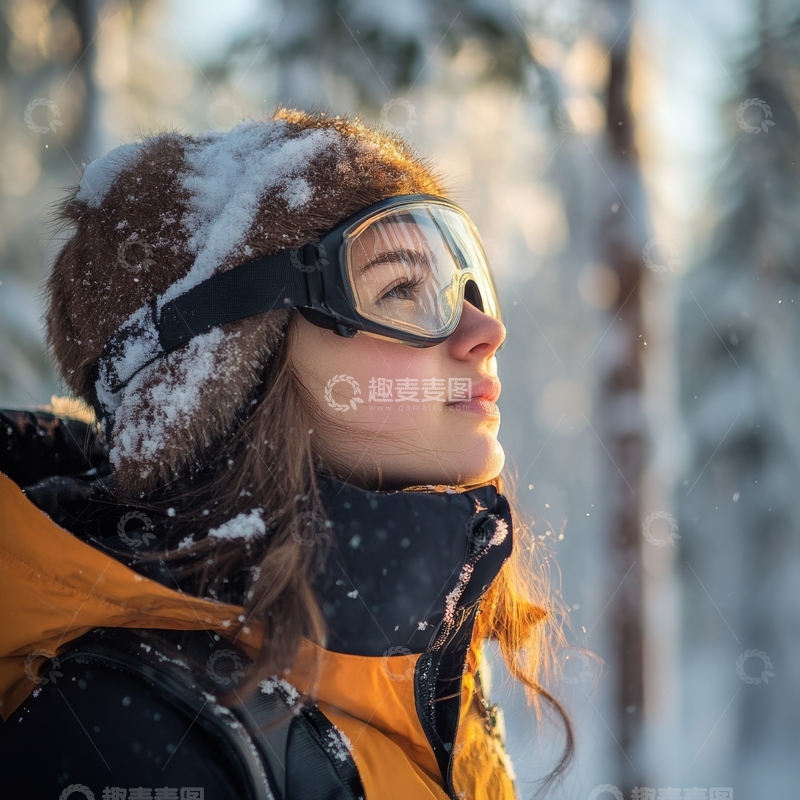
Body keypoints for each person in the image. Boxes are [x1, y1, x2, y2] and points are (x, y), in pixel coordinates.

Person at [0, 109, 572, 799]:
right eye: (400, 289)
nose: (485, 328)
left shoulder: (423, 670)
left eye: (463, 283)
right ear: (238, 373)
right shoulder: (133, 742)